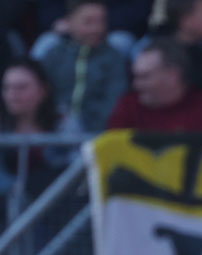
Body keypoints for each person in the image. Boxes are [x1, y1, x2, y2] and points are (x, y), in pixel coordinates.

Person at [30, 0, 129, 133]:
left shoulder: (113, 58)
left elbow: (114, 100)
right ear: (69, 23)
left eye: (101, 21)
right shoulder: (54, 55)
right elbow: (42, 95)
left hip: (96, 134)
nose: (96, 28)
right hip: (52, 133)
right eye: (88, 22)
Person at [105, 37, 202, 130]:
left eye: (145, 77)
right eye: (135, 76)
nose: (136, 85)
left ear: (172, 76)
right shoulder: (128, 106)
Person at [0, 59, 73, 202]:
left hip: (55, 207)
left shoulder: (64, 123)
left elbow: (75, 171)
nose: (12, 95)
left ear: (42, 90)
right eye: (6, 87)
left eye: (21, 87)